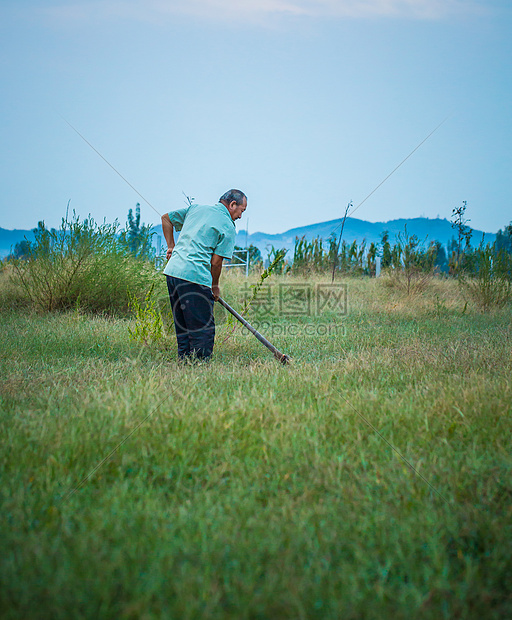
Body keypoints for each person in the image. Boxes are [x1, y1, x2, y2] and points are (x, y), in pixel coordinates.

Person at [162, 189, 247, 361]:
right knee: (202, 328)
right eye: (241, 211)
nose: (240, 216)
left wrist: (171, 246)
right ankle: (199, 367)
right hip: (194, 277)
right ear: (232, 205)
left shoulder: (196, 209)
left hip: (173, 273)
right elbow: (216, 263)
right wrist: (214, 287)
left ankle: (184, 362)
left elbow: (166, 219)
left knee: (184, 325)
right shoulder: (228, 226)